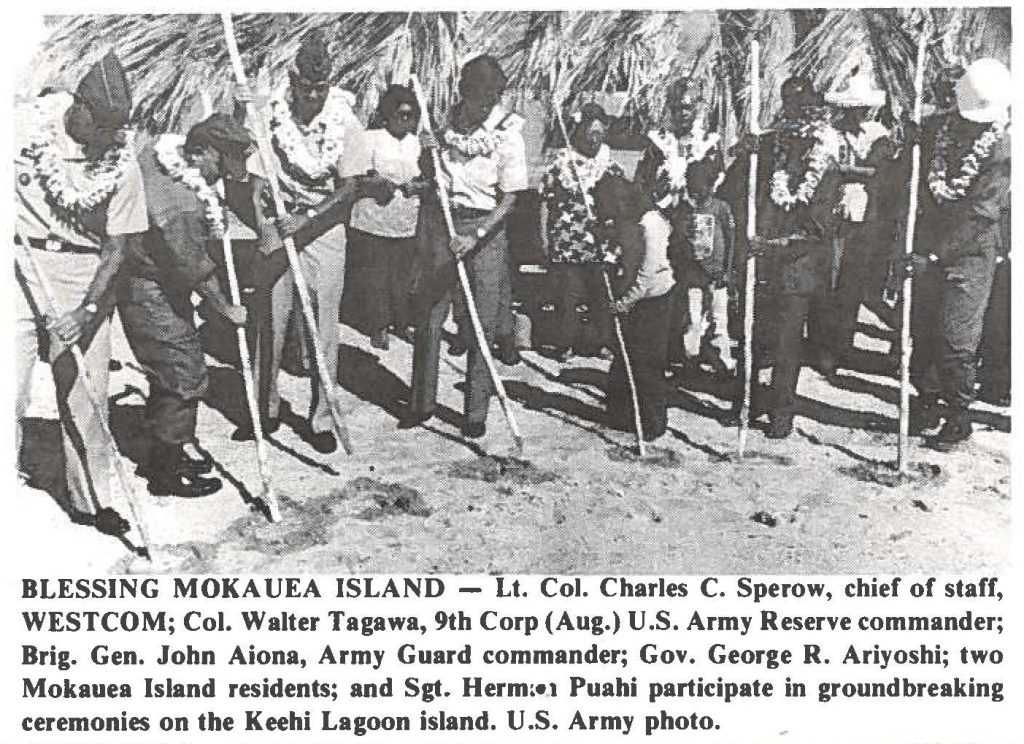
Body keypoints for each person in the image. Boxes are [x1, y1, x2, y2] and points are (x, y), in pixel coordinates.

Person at [15, 51, 148, 536]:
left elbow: (117, 249)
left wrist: (88, 310)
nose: (114, 137)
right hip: (19, 265)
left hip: (84, 273)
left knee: (88, 397)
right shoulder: (21, 133)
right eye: (106, 124)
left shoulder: (122, 165)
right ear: (81, 110)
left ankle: (92, 499)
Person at [247, 28, 363, 453]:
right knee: (271, 321)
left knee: (323, 326)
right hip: (282, 222)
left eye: (321, 88)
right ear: (293, 84)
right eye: (307, 88)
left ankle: (321, 418)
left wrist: (309, 218)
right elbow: (258, 180)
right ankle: (266, 408)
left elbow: (350, 188)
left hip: (324, 227)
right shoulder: (273, 116)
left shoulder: (346, 122)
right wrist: (264, 227)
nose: (314, 96)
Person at [402, 55, 529, 438]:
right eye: (480, 97)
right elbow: (432, 177)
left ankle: (475, 413)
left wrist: (475, 235)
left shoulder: (508, 132)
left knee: (480, 322)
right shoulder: (441, 124)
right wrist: (426, 153)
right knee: (429, 317)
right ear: (464, 93)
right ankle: (421, 404)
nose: (487, 104)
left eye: (492, 97)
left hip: (484, 230)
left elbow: (509, 199)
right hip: (441, 222)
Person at [124, 114, 250, 497]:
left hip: (158, 281)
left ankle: (168, 445)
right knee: (184, 369)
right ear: (199, 153)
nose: (224, 176)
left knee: (169, 367)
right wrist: (227, 308)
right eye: (222, 164)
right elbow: (194, 266)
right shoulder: (178, 202)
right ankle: (164, 472)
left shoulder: (158, 154)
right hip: (148, 288)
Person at [909, 58, 1011, 450]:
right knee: (923, 329)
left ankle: (958, 416)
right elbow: (916, 176)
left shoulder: (1003, 149)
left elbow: (979, 217)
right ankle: (926, 402)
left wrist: (935, 257)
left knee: (956, 337)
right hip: (930, 244)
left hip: (969, 253)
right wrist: (912, 140)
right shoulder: (941, 129)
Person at [749, 78, 843, 439]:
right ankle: (753, 397)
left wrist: (772, 245)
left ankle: (781, 411)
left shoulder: (826, 167)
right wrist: (747, 152)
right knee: (759, 334)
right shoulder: (780, 152)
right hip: (766, 261)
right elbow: (756, 182)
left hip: (799, 268)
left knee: (787, 341)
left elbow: (816, 231)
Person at [817, 62, 893, 375]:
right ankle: (824, 346)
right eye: (850, 109)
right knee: (828, 282)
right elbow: (824, 168)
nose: (855, 114)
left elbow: (881, 172)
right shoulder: (831, 134)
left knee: (853, 284)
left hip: (865, 218)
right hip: (834, 214)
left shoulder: (879, 135)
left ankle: (842, 345)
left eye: (860, 109)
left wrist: (848, 171)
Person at [339, 85, 425, 351]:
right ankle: (378, 325)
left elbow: (430, 178)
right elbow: (350, 175)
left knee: (401, 276)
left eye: (411, 116)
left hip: (405, 218)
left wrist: (419, 186)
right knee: (375, 276)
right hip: (373, 218)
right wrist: (376, 182)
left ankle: (400, 321)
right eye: (401, 116)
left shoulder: (417, 143)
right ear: (387, 116)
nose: (407, 121)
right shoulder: (369, 139)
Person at [539, 102, 623, 362]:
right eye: (590, 134)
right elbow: (545, 201)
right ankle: (565, 343)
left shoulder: (609, 163)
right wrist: (543, 236)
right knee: (568, 295)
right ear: (579, 131)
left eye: (599, 135)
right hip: (568, 241)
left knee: (601, 295)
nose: (594, 140)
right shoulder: (562, 163)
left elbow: (622, 204)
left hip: (600, 241)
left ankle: (600, 342)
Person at [602, 175, 677, 442]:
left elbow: (648, 271)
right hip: (633, 295)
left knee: (648, 362)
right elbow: (619, 247)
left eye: (621, 202)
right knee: (625, 356)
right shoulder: (626, 221)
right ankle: (620, 414)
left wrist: (625, 302)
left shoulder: (651, 223)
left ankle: (653, 422)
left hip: (653, 298)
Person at [671, 158, 737, 373]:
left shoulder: (720, 208)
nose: (696, 191)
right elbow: (678, 242)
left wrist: (727, 271)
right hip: (693, 276)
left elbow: (730, 240)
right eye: (691, 186)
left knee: (718, 318)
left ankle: (723, 361)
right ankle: (691, 359)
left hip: (717, 275)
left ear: (711, 185)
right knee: (692, 319)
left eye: (701, 186)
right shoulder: (683, 210)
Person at [634, 78, 722, 211]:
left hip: (699, 213)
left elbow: (718, 183)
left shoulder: (708, 144)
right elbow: (643, 183)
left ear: (697, 108)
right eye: (678, 108)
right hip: (663, 213)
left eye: (688, 107)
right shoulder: (658, 144)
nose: (683, 113)